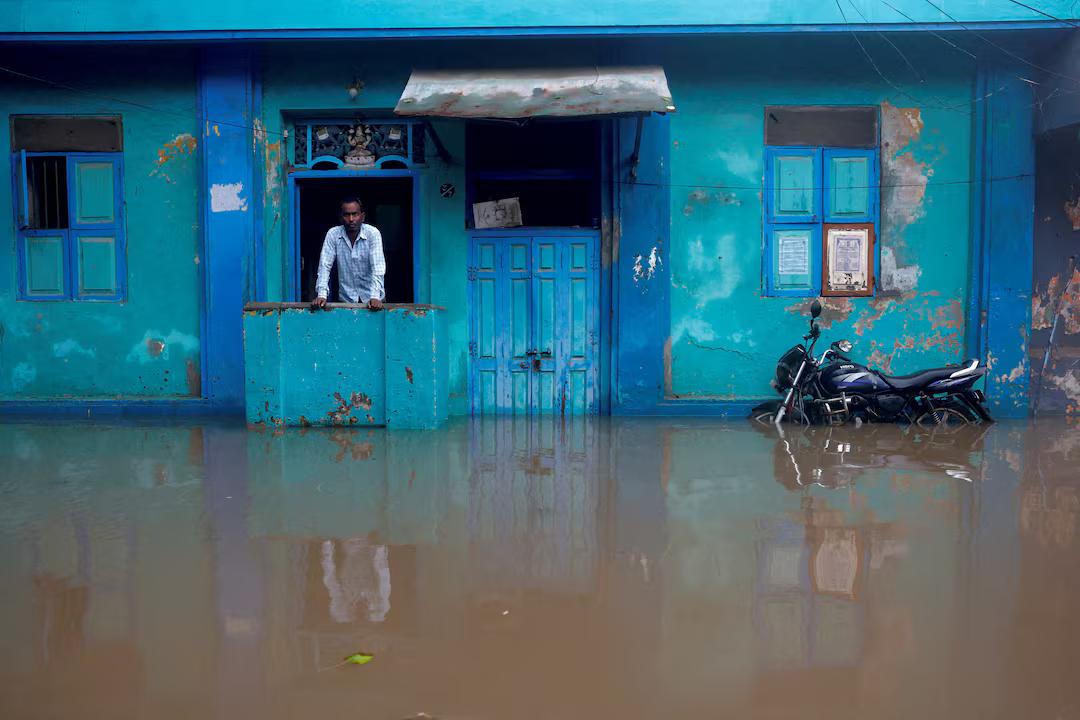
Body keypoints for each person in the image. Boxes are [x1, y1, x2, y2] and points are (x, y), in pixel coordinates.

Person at [312, 197, 385, 310]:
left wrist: (375, 297)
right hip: (346, 301)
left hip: (373, 301)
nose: (351, 219)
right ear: (341, 217)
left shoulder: (372, 234)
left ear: (362, 216)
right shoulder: (333, 234)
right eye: (346, 215)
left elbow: (378, 267)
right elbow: (324, 266)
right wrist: (321, 295)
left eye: (355, 214)